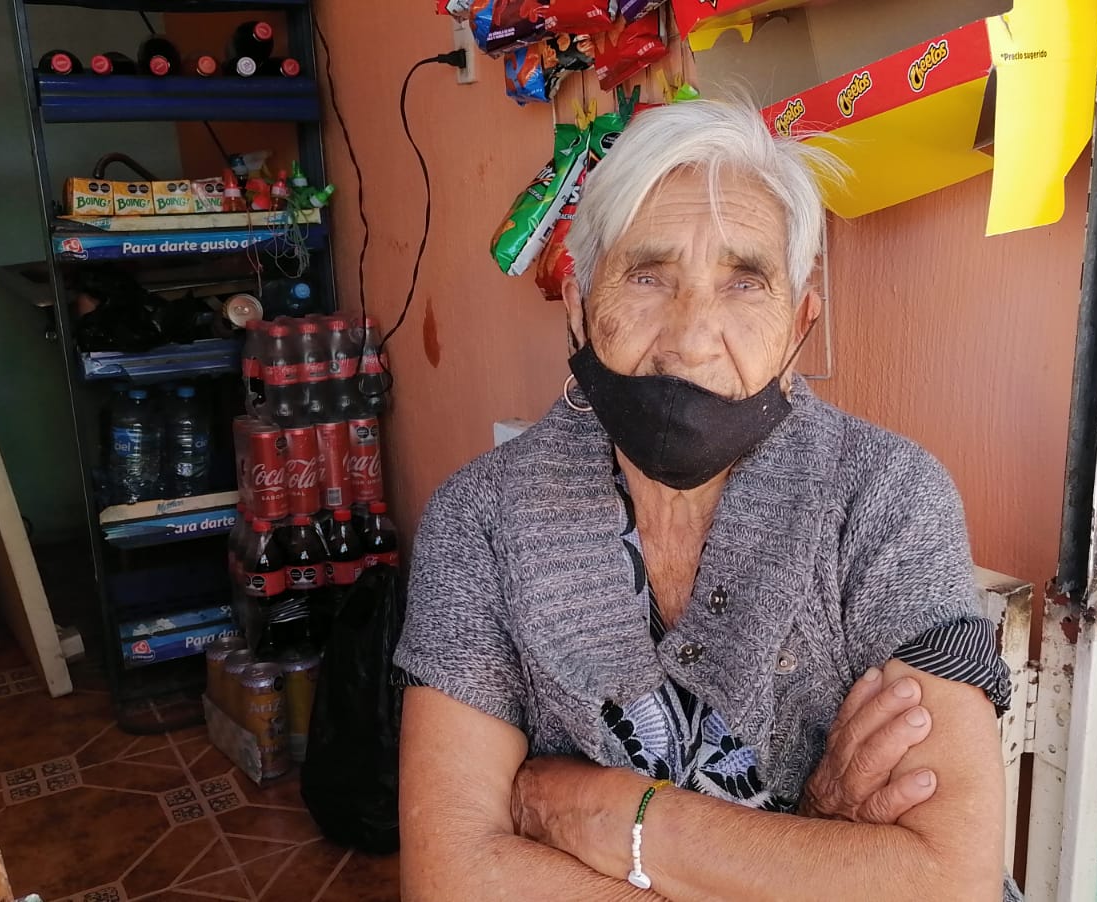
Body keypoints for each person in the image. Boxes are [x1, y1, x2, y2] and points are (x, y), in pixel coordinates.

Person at [396, 99, 1017, 901]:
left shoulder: (885, 497)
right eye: (648, 275)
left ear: (799, 325)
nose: (691, 336)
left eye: (744, 282)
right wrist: (815, 840)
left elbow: (946, 881)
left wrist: (617, 818)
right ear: (579, 309)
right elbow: (453, 881)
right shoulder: (478, 522)